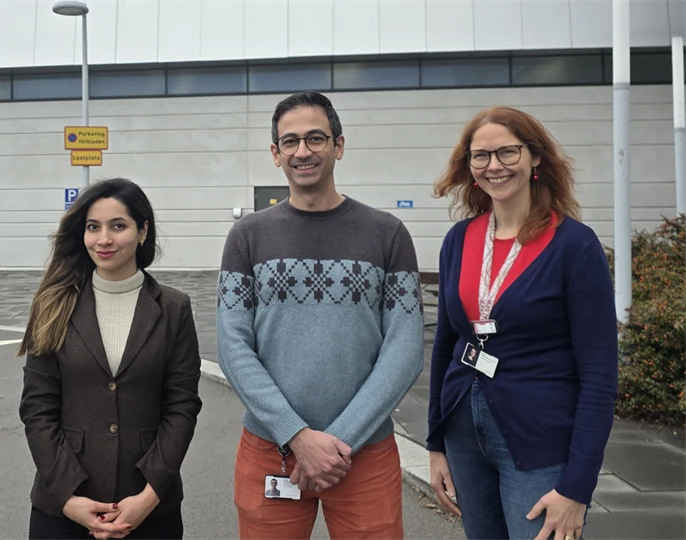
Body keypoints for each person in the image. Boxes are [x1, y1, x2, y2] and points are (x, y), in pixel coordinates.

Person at [217, 91, 425, 540]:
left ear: (339, 145)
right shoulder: (246, 237)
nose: (303, 151)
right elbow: (233, 347)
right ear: (275, 154)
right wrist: (297, 436)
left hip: (362, 452)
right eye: (290, 142)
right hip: (271, 450)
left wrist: (335, 444)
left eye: (316, 138)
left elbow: (405, 349)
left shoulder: (387, 234)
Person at [426, 106, 618, 540]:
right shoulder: (460, 239)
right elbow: (445, 345)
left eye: (507, 152)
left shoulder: (574, 245)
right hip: (462, 436)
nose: (494, 166)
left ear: (535, 158)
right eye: (481, 156)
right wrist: (435, 444)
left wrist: (578, 488)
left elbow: (600, 374)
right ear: (469, 166)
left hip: (539, 442)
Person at [18, 177, 203, 540]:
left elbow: (181, 406)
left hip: (149, 504)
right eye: (93, 227)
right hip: (63, 507)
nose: (104, 239)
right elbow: (37, 408)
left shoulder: (173, 308)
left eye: (118, 226)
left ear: (142, 231)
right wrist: (69, 497)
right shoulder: (54, 305)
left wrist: (149, 495)